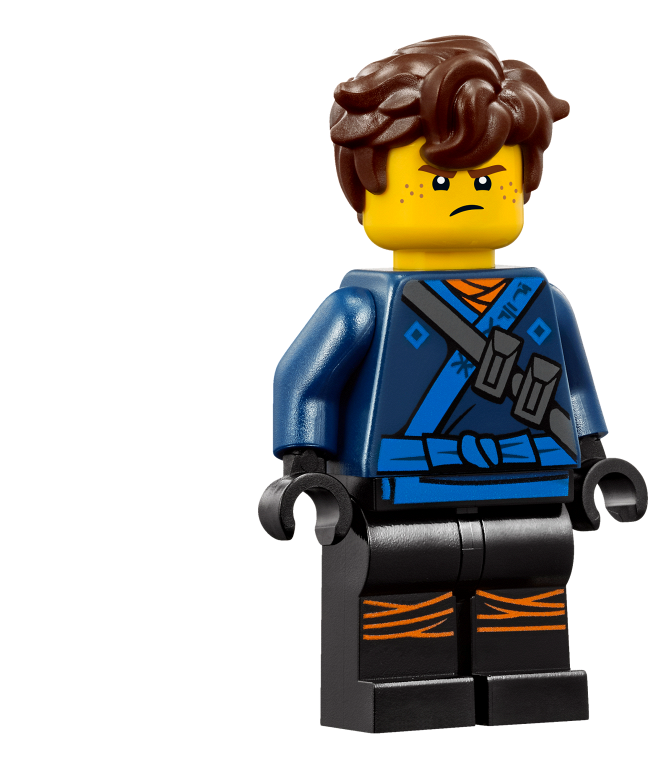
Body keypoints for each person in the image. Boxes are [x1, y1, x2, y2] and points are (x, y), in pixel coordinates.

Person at [259, 35, 647, 733]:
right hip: (401, 488)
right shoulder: (362, 307)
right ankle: (402, 685)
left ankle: (528, 679)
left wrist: (593, 459)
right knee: (402, 583)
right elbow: (304, 380)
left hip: (527, 484)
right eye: (439, 181)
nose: (468, 194)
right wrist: (306, 465)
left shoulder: (542, 303)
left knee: (530, 577)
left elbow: (574, 387)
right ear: (366, 186)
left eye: (490, 179)